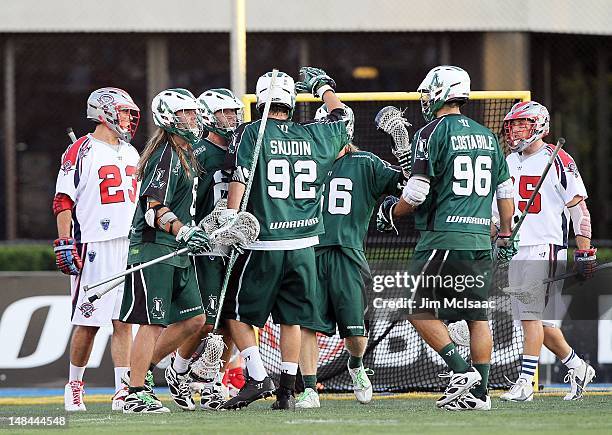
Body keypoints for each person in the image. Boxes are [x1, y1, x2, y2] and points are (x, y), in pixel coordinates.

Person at [377, 65, 516, 411]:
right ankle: (480, 395)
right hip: (480, 239)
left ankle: (461, 371)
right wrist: (506, 233)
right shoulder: (488, 136)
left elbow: (419, 191)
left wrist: (391, 212)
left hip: (443, 237)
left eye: (428, 91)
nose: (425, 98)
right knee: (475, 316)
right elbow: (505, 193)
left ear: (440, 91)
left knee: (414, 306)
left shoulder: (431, 132)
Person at [220, 67, 352, 410]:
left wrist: (230, 221)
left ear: (260, 99)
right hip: (305, 245)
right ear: (291, 102)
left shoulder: (252, 132)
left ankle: (257, 375)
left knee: (235, 314)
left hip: (264, 243)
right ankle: (287, 390)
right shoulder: (314, 135)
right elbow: (343, 118)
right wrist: (324, 87)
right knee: (290, 318)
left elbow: (240, 176)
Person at [296, 104, 405, 408]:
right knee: (306, 323)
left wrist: (392, 207)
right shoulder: (304, 162)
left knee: (355, 330)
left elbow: (409, 184)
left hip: (347, 252)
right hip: (308, 251)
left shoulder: (365, 163)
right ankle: (308, 388)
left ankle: (355, 365)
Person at [497, 101, 597, 402]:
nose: (515, 129)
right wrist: (496, 236)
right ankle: (578, 368)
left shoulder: (557, 158)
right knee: (541, 324)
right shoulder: (508, 161)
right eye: (512, 124)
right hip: (517, 247)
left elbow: (579, 210)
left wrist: (584, 251)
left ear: (539, 124)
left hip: (545, 244)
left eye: (522, 123)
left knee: (530, 316)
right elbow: (499, 213)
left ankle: (525, 383)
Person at [119, 88, 211, 413]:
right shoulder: (166, 154)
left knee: (194, 320)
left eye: (193, 112)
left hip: (177, 250)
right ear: (169, 118)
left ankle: (138, 375)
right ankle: (135, 394)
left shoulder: (186, 153)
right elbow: (152, 207)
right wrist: (183, 229)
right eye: (185, 113)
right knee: (152, 322)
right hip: (154, 248)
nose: (192, 118)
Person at [53, 87, 140, 412]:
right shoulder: (81, 150)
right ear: (104, 112)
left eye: (132, 113)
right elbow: (63, 200)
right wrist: (64, 240)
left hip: (128, 245)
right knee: (88, 322)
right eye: (124, 111)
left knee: (123, 320)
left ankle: (122, 390)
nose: (130, 118)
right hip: (94, 245)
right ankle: (74, 385)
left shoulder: (132, 153)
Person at [169, 88, 245, 410]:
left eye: (235, 112)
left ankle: (213, 382)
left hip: (237, 245)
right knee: (206, 322)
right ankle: (180, 369)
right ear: (206, 115)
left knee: (232, 322)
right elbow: (182, 199)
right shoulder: (197, 153)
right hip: (206, 245)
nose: (232, 119)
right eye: (224, 113)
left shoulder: (245, 150)